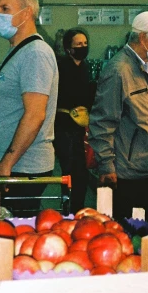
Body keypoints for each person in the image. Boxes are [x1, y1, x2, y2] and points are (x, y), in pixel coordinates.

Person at [89, 11, 148, 221]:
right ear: (143, 38)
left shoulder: (143, 67)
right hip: (125, 173)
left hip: (146, 167)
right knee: (127, 230)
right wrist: (106, 166)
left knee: (146, 230)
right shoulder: (119, 70)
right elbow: (102, 122)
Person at [0, 0, 58, 214]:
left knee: (13, 240)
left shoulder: (35, 53)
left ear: (27, 13)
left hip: (22, 167)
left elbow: (35, 114)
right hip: (9, 164)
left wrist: (7, 164)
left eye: (5, 9)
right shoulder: (18, 50)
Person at [54, 28, 93, 214]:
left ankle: (78, 208)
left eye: (85, 44)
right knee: (70, 171)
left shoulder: (84, 67)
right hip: (64, 127)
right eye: (78, 44)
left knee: (81, 172)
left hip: (80, 128)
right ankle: (69, 209)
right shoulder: (61, 67)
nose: (83, 47)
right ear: (69, 48)